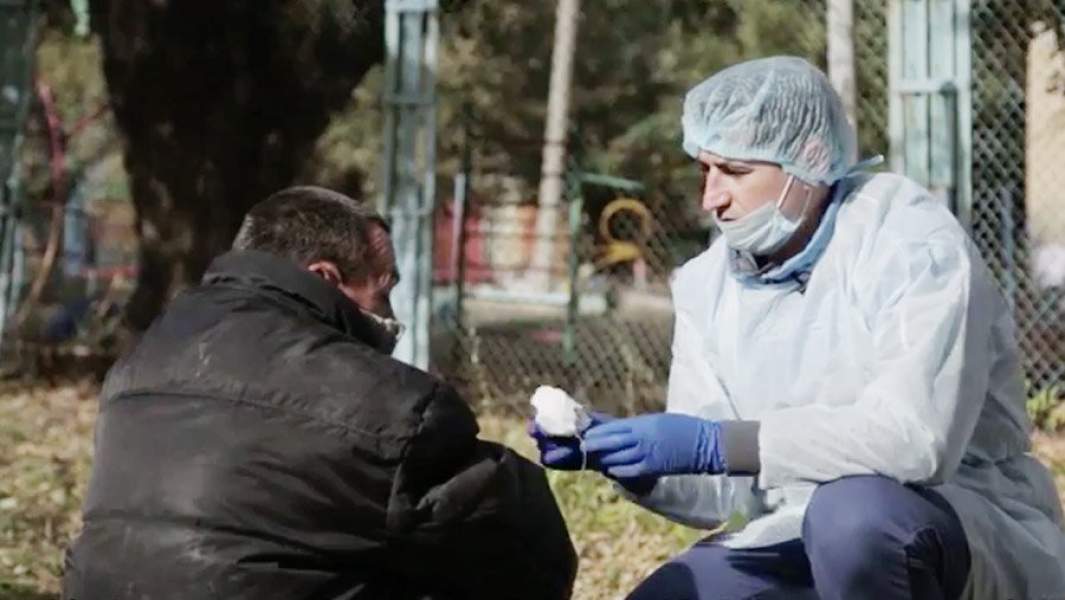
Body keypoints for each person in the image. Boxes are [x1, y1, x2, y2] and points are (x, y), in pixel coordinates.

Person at [531, 56, 1065, 600]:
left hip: (948, 518)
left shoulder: (908, 241)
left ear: (809, 158)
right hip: (792, 526)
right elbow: (718, 490)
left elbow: (914, 440)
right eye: (705, 170)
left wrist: (719, 442)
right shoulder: (706, 284)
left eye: (736, 171)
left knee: (854, 521)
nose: (712, 197)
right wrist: (632, 462)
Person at [64, 186, 577, 600]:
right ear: (325, 278)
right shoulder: (385, 403)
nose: (391, 316)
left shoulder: (140, 362)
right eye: (383, 290)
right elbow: (523, 547)